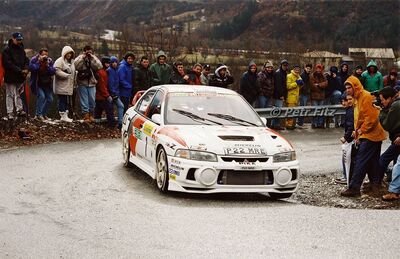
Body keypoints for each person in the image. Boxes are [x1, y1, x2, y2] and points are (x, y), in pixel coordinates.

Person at [340, 76, 386, 197]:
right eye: (346, 88)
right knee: (372, 161)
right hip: (370, 134)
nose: (347, 90)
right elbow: (359, 118)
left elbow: (371, 119)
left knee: (360, 160)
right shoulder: (357, 98)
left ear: (355, 86)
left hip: (371, 134)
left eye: (349, 87)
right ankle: (375, 184)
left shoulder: (365, 97)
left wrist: (360, 132)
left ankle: (354, 187)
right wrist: (358, 132)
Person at [2, 32, 29, 119]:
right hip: (10, 76)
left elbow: (26, 60)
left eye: (20, 40)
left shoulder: (21, 49)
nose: (19, 41)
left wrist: (26, 68)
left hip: (20, 76)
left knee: (19, 93)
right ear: (13, 39)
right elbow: (7, 63)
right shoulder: (7, 50)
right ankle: (10, 112)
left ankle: (19, 110)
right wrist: (19, 70)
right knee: (9, 94)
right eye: (17, 40)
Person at [377, 86, 400, 185]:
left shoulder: (396, 106)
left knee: (383, 160)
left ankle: (377, 182)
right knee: (396, 164)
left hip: (397, 139)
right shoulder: (395, 104)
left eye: (382, 100)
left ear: (390, 98)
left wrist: (382, 111)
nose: (382, 102)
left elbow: (387, 125)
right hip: (396, 139)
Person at [74, 45, 102, 122]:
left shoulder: (93, 58)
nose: (88, 52)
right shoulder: (80, 58)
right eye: (86, 51)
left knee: (92, 100)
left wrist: (92, 58)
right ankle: (86, 116)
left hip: (92, 82)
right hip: (82, 82)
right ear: (84, 51)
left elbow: (99, 66)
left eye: (90, 51)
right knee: (84, 100)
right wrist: (82, 58)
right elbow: (75, 66)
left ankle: (91, 115)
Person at [28, 48, 55, 121]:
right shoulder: (34, 59)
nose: (45, 56)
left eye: (46, 55)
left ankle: (43, 114)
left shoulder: (49, 61)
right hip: (37, 83)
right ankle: (38, 115)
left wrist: (47, 66)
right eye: (43, 55)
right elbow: (32, 68)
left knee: (50, 99)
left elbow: (53, 71)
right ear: (39, 54)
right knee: (42, 97)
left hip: (47, 84)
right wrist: (39, 62)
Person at [335, 93, 355, 184]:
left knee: (346, 158)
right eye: (342, 101)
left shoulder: (350, 111)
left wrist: (346, 137)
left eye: (345, 101)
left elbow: (351, 126)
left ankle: (346, 176)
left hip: (351, 139)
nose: (343, 103)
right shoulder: (349, 110)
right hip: (351, 138)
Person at [53, 45, 75, 123]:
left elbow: (72, 71)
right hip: (61, 85)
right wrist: (67, 75)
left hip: (68, 85)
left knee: (66, 100)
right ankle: (62, 115)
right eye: (68, 53)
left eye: (70, 53)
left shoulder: (72, 62)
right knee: (62, 100)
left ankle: (66, 115)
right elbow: (56, 71)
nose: (69, 55)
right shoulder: (59, 61)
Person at [94, 56, 115, 127]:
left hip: (100, 95)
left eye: (109, 63)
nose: (108, 65)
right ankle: (111, 125)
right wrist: (107, 95)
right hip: (102, 96)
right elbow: (101, 85)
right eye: (107, 63)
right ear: (103, 63)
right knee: (109, 110)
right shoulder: (101, 72)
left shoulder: (104, 71)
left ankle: (97, 124)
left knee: (98, 111)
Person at [270, 59, 289, 130]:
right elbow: (278, 86)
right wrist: (281, 95)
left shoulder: (284, 73)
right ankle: (276, 125)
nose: (285, 67)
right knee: (278, 110)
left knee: (276, 110)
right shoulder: (278, 73)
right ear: (281, 65)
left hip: (280, 95)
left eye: (286, 65)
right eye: (284, 65)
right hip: (278, 95)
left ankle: (274, 124)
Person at [107, 56, 124, 129]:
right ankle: (119, 123)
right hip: (112, 93)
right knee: (120, 106)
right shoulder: (110, 70)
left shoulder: (117, 70)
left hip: (116, 92)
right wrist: (113, 93)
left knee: (114, 108)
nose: (114, 63)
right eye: (113, 62)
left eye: (115, 62)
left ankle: (118, 123)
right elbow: (110, 83)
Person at [310, 64, 328, 128]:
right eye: (317, 68)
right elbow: (312, 86)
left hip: (322, 96)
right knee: (315, 110)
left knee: (321, 110)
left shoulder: (323, 76)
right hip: (314, 96)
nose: (318, 70)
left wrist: (319, 85)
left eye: (319, 68)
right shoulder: (312, 76)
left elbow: (326, 83)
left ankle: (320, 124)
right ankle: (314, 123)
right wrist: (320, 87)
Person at [285, 64, 303, 130]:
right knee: (290, 112)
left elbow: (298, 87)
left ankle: (293, 125)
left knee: (295, 112)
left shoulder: (299, 76)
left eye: (298, 69)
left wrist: (301, 84)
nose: (297, 70)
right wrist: (296, 83)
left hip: (296, 97)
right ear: (293, 69)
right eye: (296, 69)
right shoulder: (289, 76)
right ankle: (288, 125)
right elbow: (288, 86)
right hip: (291, 97)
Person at [297, 63, 312, 128]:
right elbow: (301, 85)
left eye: (309, 69)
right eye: (307, 68)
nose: (308, 70)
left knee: (304, 108)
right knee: (302, 108)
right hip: (302, 94)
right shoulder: (302, 75)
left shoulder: (309, 75)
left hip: (306, 94)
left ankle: (301, 122)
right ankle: (300, 123)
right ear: (305, 68)